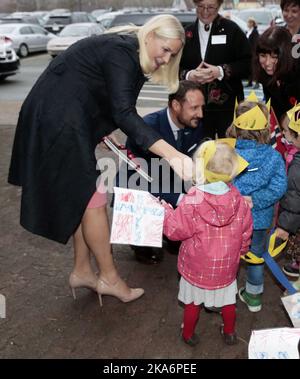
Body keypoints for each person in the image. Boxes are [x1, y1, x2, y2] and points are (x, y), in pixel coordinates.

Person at [7, 15, 191, 307]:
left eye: (173, 54)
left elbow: (98, 94)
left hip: (62, 118)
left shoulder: (127, 50)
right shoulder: (123, 54)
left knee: (85, 197)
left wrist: (102, 132)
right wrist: (173, 154)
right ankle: (109, 277)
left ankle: (82, 270)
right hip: (58, 122)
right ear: (151, 34)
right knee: (94, 198)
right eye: (165, 49)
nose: (167, 58)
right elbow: (123, 112)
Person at [161, 139, 253, 346]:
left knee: (192, 303)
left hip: (197, 267)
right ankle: (229, 332)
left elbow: (174, 231)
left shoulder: (192, 199)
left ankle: (188, 335)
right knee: (228, 302)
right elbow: (246, 232)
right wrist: (242, 251)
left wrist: (166, 211)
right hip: (226, 268)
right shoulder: (239, 200)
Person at [115, 80, 205, 264]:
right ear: (176, 105)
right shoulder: (146, 128)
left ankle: (170, 231)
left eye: (201, 107)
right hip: (138, 186)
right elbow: (142, 180)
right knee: (148, 246)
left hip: (171, 181)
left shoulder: (195, 123)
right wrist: (181, 199)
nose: (200, 114)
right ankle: (140, 242)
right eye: (194, 107)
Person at [226, 96, 287, 312]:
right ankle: (254, 298)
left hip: (230, 219)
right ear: (265, 129)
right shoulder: (274, 157)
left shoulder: (226, 152)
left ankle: (226, 292)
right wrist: (257, 200)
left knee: (229, 255)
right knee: (256, 257)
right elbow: (279, 188)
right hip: (260, 221)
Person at [180, 0, 252, 138]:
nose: (205, 11)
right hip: (194, 109)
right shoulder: (186, 33)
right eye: (201, 6)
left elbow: (248, 63)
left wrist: (221, 71)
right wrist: (189, 75)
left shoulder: (232, 30)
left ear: (219, 6)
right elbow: (174, 68)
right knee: (198, 151)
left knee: (228, 152)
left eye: (211, 7)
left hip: (227, 108)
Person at [253, 26, 300, 122]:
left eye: (274, 57)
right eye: (263, 56)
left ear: (286, 56)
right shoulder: (264, 75)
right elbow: (273, 110)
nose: (267, 63)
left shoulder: (297, 74)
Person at [276, 104, 300, 284]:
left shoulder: (297, 168)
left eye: (286, 131)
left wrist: (284, 226)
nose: (283, 134)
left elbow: (294, 200)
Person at [245, 17, 259, 89]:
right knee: (249, 67)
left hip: (253, 52)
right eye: (248, 22)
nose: (248, 24)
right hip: (248, 52)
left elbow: (256, 43)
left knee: (255, 68)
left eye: (250, 22)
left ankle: (257, 83)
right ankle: (249, 82)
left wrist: (255, 52)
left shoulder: (255, 31)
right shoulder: (248, 31)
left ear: (253, 23)